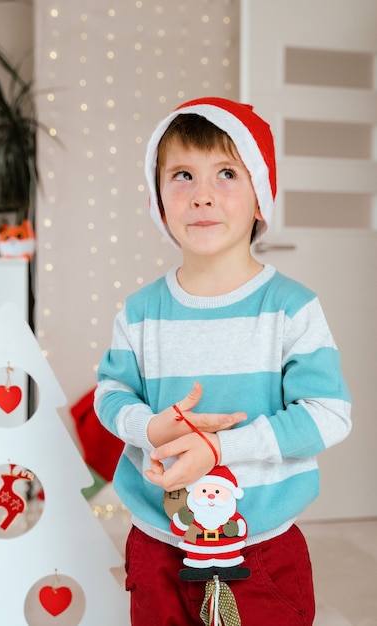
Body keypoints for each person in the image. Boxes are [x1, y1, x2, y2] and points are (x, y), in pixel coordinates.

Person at [94, 97, 351, 625]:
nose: (202, 195)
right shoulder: (140, 312)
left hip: (262, 551)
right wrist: (150, 426)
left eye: (228, 173)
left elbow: (328, 413)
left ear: (261, 197)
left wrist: (220, 448)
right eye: (182, 175)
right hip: (158, 545)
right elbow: (109, 394)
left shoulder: (291, 307)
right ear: (159, 201)